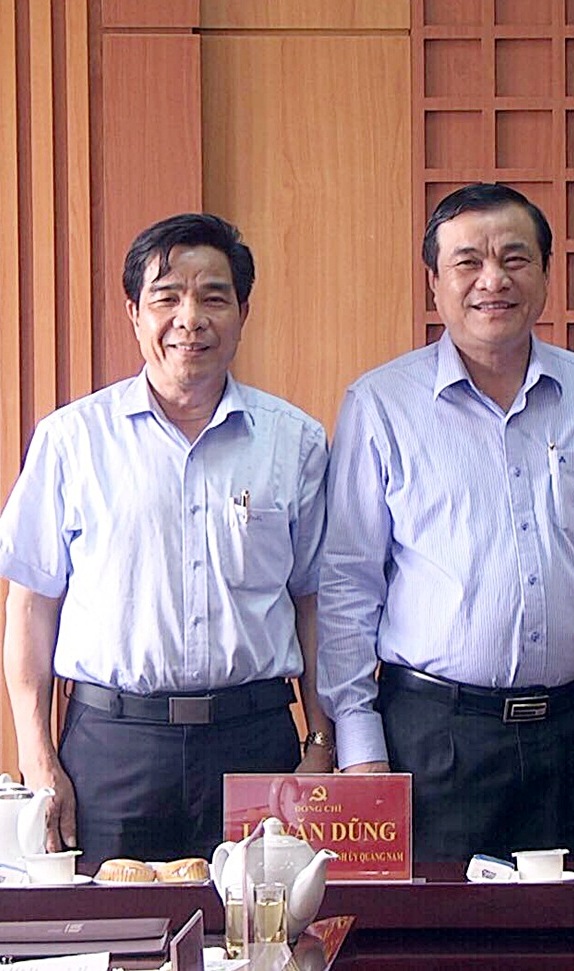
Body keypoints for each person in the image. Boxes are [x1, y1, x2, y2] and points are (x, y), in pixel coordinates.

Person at [317, 182, 574, 863]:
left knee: (571, 924)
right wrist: (359, 747)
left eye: (514, 258)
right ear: (434, 281)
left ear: (545, 273)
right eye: (468, 262)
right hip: (432, 738)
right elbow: (348, 585)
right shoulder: (381, 405)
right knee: (437, 927)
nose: (493, 280)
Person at [0, 213, 332, 866]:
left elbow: (316, 604)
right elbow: (31, 606)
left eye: (213, 297)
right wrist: (38, 757)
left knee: (263, 922)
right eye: (167, 297)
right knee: (115, 922)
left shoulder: (295, 442)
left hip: (255, 741)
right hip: (112, 746)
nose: (190, 318)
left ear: (243, 312)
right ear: (134, 313)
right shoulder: (72, 441)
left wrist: (321, 743)